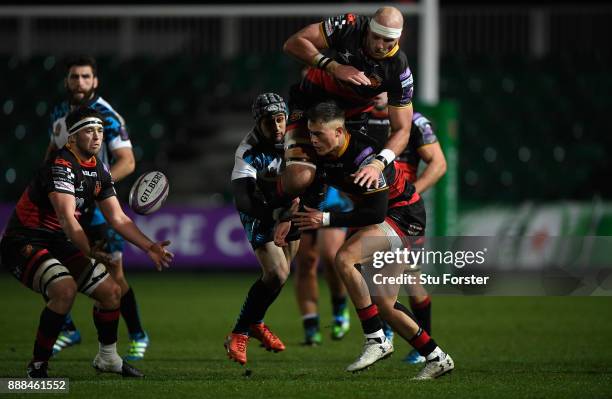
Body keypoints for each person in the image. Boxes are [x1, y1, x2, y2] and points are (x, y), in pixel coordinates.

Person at [0, 107, 173, 378]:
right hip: (23, 241)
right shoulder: (61, 165)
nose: (97, 136)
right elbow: (68, 219)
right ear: (71, 138)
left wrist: (150, 246)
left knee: (111, 292)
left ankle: (108, 359)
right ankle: (37, 368)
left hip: (58, 241)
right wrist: (89, 251)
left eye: (101, 131)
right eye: (89, 130)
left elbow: (117, 218)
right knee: (64, 289)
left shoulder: (99, 170)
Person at [290, 101, 454, 379]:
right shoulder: (324, 155)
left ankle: (375, 339)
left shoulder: (365, 157)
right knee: (385, 305)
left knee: (344, 258)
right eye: (311, 133)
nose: (313, 139)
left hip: (403, 216)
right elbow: (313, 198)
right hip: (387, 218)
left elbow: (375, 212)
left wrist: (326, 219)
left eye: (319, 134)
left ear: (340, 132)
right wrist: (289, 223)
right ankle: (437, 357)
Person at [46, 56, 148, 361]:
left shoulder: (107, 116)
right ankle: (68, 329)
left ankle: (138, 335)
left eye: (85, 77)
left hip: (98, 209)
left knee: (114, 275)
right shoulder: (59, 113)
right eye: (74, 77)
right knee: (46, 260)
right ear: (67, 81)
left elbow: (127, 162)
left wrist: (93, 188)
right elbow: (52, 152)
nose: (79, 82)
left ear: (95, 81)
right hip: (66, 202)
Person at [280, 6, 414, 200]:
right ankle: (271, 197)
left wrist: (378, 164)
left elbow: (403, 130)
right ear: (368, 28)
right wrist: (333, 66)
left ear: (398, 39)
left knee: (362, 186)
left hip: (349, 120)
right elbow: (292, 43)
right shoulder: (349, 25)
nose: (379, 45)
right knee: (299, 179)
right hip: (311, 102)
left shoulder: (399, 71)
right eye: (376, 36)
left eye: (388, 40)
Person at [369, 92, 448, 364]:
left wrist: (412, 192)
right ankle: (387, 333)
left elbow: (438, 163)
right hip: (374, 208)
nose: (377, 93)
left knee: (411, 279)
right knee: (373, 272)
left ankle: (420, 342)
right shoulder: (361, 119)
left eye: (383, 88)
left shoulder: (415, 122)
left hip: (403, 211)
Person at [224, 93, 301, 366]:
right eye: (270, 122)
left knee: (283, 274)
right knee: (277, 272)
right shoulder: (248, 150)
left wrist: (292, 211)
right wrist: (275, 215)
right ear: (259, 123)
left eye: (281, 119)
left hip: (291, 207)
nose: (277, 127)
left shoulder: (298, 137)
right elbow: (243, 199)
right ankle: (240, 331)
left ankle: (256, 323)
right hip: (260, 209)